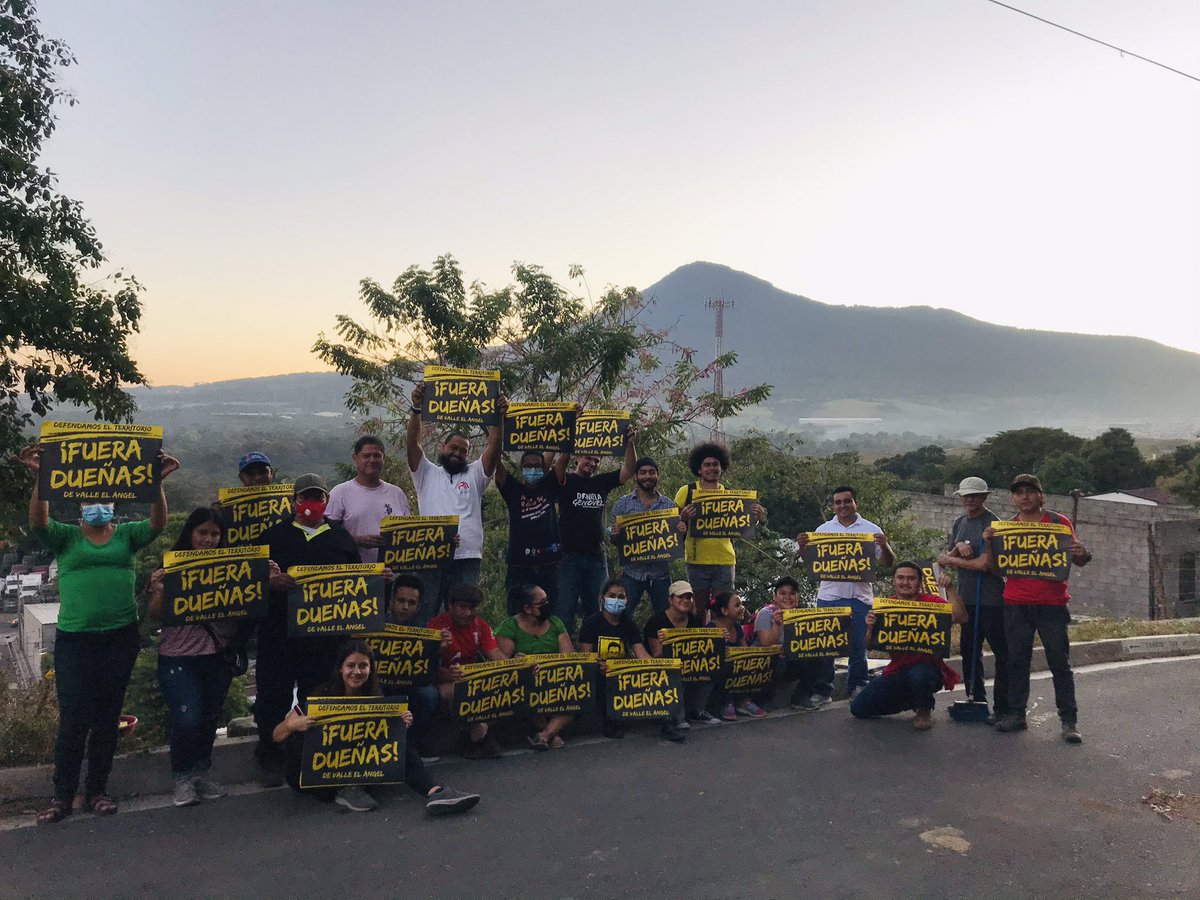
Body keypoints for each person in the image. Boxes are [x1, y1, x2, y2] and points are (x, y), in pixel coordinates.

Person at [17, 443, 179, 824]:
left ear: (116, 506)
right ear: (78, 507)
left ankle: (97, 790)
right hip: (76, 638)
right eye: (90, 500)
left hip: (119, 637)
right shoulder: (67, 537)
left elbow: (158, 524)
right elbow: (38, 521)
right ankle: (62, 795)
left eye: (104, 500)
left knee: (107, 717)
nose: (98, 505)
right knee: (74, 717)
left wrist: (155, 483)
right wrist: (41, 476)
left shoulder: (127, 536)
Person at [147, 508, 277, 807]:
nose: (208, 540)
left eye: (214, 534)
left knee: (208, 718)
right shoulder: (171, 566)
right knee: (187, 718)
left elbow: (252, 605)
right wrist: (160, 589)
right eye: (202, 533)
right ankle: (181, 777)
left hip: (217, 656)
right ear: (191, 533)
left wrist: (263, 577)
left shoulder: (235, 566)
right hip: (178, 656)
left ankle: (200, 774)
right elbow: (155, 614)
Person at [272, 638, 480, 815]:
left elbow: (387, 737)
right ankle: (344, 790)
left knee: (402, 743)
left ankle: (435, 792)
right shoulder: (320, 695)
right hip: (314, 775)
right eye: (351, 665)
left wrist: (401, 724)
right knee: (301, 738)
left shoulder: (377, 697)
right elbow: (277, 735)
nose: (357, 672)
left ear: (370, 669)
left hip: (359, 764)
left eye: (363, 666)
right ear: (341, 668)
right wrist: (293, 724)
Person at [253, 473, 361, 787]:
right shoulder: (273, 536)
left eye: (318, 496)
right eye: (305, 497)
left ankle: (314, 756)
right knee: (273, 697)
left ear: (327, 501)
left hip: (325, 640)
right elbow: (249, 582)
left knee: (318, 697)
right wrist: (270, 582)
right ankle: (270, 755)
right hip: (279, 635)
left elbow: (358, 582)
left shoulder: (341, 537)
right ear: (293, 501)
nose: (311, 502)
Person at [984, 474, 1092, 743]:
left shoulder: (1059, 523)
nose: (1025, 497)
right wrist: (989, 544)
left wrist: (1081, 552)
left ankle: (1069, 720)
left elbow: (1079, 560)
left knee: (1059, 663)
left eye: (1030, 492)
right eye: (1019, 492)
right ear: (1013, 498)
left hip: (1052, 604)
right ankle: (1016, 714)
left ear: (1041, 495)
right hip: (1016, 603)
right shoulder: (1006, 528)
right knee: (1017, 662)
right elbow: (997, 569)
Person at [406, 382, 506, 623]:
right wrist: (417, 409)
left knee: (464, 617)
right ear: (443, 447)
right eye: (453, 447)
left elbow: (494, 448)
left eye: (463, 450)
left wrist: (498, 417)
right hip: (431, 557)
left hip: (467, 557)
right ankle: (428, 659)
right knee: (426, 614)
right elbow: (413, 445)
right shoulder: (425, 473)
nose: (457, 453)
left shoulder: (474, 474)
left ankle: (464, 659)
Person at [795, 486, 894, 708]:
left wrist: (885, 545)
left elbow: (888, 563)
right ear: (833, 506)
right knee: (827, 646)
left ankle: (858, 686)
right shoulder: (823, 530)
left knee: (859, 646)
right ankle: (823, 690)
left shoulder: (871, 529)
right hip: (829, 596)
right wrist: (803, 548)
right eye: (838, 502)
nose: (842, 506)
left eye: (846, 501)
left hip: (860, 598)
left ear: (855, 503)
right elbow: (810, 564)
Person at [850, 563, 967, 730]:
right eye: (900, 578)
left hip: (928, 669)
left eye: (911, 578)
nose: (905, 583)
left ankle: (924, 710)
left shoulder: (932, 603)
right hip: (897, 670)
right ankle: (913, 700)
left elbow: (961, 618)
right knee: (858, 708)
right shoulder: (885, 605)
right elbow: (868, 646)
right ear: (894, 581)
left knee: (919, 674)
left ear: (920, 583)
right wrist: (870, 628)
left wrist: (950, 589)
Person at [936, 476, 1010, 725]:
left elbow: (987, 565)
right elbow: (944, 558)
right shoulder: (960, 523)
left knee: (1003, 654)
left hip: (992, 600)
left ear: (984, 497)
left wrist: (956, 560)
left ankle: (1003, 706)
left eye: (974, 496)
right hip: (967, 598)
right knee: (969, 652)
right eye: (966, 496)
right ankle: (976, 699)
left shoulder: (994, 525)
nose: (970, 500)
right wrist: (958, 546)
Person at [579, 578, 685, 742]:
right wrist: (598, 665)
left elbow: (641, 654)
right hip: (600, 675)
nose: (617, 600)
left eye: (621, 597)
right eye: (612, 596)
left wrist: (663, 667)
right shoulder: (591, 623)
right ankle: (610, 721)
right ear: (602, 598)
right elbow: (585, 656)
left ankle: (667, 721)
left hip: (622, 674)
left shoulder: (628, 623)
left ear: (627, 600)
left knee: (658, 676)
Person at [553, 430, 638, 635]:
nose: (592, 463)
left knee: (599, 610)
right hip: (568, 556)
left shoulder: (601, 482)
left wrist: (629, 444)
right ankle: (565, 655)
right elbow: (557, 468)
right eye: (588, 459)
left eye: (596, 460)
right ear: (578, 459)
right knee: (565, 610)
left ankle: (595, 651)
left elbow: (629, 469)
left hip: (596, 557)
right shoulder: (566, 481)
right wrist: (568, 435)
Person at [675, 442, 766, 615]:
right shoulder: (686, 492)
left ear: (721, 467)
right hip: (696, 561)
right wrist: (683, 518)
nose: (712, 468)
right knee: (697, 611)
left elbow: (741, 528)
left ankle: (720, 642)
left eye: (715, 464)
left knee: (722, 611)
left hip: (724, 560)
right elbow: (672, 526)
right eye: (707, 465)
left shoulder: (730, 495)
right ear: (699, 469)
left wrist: (755, 518)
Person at [430, 582, 509, 759]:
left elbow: (494, 653)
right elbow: (426, 667)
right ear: (450, 605)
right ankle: (479, 737)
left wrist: (516, 667)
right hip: (446, 679)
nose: (468, 613)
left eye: (472, 608)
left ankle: (478, 735)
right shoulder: (436, 626)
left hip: (472, 678)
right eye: (462, 608)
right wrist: (447, 673)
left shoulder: (480, 625)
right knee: (452, 692)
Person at [495, 583, 575, 750]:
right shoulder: (510, 626)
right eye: (542, 603)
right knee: (525, 691)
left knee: (577, 692)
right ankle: (551, 733)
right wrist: (518, 661)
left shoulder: (555, 623)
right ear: (527, 608)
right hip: (528, 681)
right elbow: (501, 662)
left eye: (547, 601)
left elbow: (568, 656)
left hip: (555, 680)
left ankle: (545, 734)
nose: (547, 606)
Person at [325, 435, 411, 564]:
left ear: (383, 458)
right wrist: (357, 540)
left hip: (392, 573)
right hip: (355, 575)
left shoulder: (397, 493)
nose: (372, 460)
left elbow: (409, 533)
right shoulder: (340, 493)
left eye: (377, 455)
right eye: (366, 456)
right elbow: (326, 536)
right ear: (355, 458)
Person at [644, 580, 718, 727]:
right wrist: (665, 645)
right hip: (662, 669)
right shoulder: (656, 621)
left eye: (688, 597)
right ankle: (677, 716)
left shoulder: (695, 620)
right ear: (670, 599)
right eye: (680, 596)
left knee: (711, 670)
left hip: (690, 667)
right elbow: (657, 656)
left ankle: (697, 711)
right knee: (675, 674)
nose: (685, 600)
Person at [495, 450, 562, 609]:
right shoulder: (513, 489)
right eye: (528, 466)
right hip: (519, 567)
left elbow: (564, 457)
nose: (533, 470)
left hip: (549, 567)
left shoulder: (549, 487)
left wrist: (564, 429)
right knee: (517, 617)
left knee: (549, 617)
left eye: (537, 466)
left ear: (545, 468)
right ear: (521, 467)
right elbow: (495, 461)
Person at [610, 456, 676, 618]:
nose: (648, 476)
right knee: (622, 615)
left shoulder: (669, 505)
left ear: (657, 475)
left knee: (665, 618)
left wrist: (681, 529)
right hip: (632, 572)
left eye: (652, 472)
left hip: (660, 574)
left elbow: (676, 539)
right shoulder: (622, 504)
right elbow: (615, 541)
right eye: (643, 473)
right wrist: (615, 535)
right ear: (635, 476)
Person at [385, 573, 439, 759]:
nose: (405, 607)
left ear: (418, 605)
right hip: (377, 683)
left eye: (411, 602)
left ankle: (416, 744)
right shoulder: (374, 623)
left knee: (429, 695)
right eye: (400, 600)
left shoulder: (423, 629)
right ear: (391, 601)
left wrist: (439, 648)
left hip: (410, 684)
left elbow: (429, 672)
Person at [752, 576, 827, 711]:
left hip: (789, 661)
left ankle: (800, 697)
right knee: (776, 659)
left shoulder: (802, 615)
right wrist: (776, 624)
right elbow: (765, 643)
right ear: (775, 597)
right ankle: (764, 699)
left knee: (819, 656)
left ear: (797, 597)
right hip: (764, 664)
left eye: (792, 593)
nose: (788, 597)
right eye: (783, 593)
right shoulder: (766, 613)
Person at [707, 590, 767, 720]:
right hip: (718, 672)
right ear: (725, 611)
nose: (742, 608)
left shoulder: (738, 627)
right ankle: (725, 702)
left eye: (741, 604)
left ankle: (743, 700)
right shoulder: (711, 628)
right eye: (737, 605)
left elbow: (745, 650)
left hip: (737, 672)